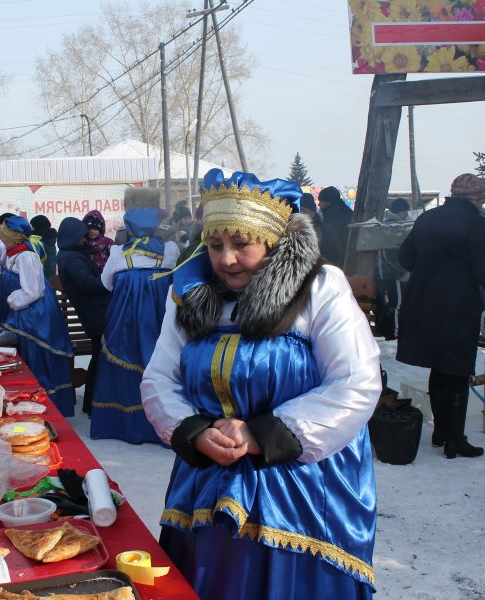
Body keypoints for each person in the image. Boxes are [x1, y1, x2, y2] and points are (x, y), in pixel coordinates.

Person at [140, 168, 380, 599]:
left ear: (271, 241)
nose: (226, 259)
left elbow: (355, 382)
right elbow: (160, 377)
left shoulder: (319, 288)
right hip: (208, 477)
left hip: (301, 482)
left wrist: (260, 433)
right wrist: (194, 431)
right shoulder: (190, 294)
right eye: (215, 246)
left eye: (240, 245)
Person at [396, 173, 485, 458]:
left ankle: (441, 431)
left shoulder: (428, 218)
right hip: (458, 308)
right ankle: (455, 439)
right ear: (477, 197)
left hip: (424, 304)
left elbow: (405, 257)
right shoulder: (476, 224)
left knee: (438, 366)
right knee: (457, 371)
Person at [0, 216, 75, 416]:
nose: (0, 237)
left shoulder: (26, 257)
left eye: (4, 234)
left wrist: (12, 300)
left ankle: (44, 403)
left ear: (14, 238)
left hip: (35, 315)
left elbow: (33, 291)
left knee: (37, 355)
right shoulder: (13, 251)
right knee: (26, 354)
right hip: (25, 312)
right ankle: (27, 401)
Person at [90, 207, 179, 443]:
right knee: (159, 362)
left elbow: (106, 282)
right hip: (159, 317)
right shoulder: (170, 250)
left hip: (124, 317)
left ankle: (124, 426)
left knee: (122, 364)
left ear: (129, 227)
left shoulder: (118, 252)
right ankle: (162, 426)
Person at [56, 217, 111, 414]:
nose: (84, 237)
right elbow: (89, 284)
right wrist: (110, 281)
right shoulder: (72, 258)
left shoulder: (71, 255)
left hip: (93, 313)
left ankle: (92, 404)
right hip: (95, 313)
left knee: (98, 356)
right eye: (81, 234)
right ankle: (93, 404)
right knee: (99, 358)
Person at [374, 197, 410, 340]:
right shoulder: (393, 226)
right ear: (399, 211)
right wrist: (403, 270)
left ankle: (387, 329)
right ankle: (393, 333)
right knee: (396, 303)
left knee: (393, 302)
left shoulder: (389, 224)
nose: (406, 215)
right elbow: (390, 253)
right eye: (404, 212)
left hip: (388, 271)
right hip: (393, 272)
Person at [300, 192, 342, 266]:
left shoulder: (325, 230)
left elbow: (333, 255)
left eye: (305, 211)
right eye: (300, 211)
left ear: (312, 212)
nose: (301, 214)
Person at [317, 185, 353, 265]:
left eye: (321, 201)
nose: (319, 204)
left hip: (337, 260)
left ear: (328, 201)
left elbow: (330, 240)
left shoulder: (331, 216)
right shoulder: (347, 211)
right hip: (350, 257)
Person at [82, 209, 114, 273]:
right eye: (89, 229)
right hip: (91, 274)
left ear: (101, 229)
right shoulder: (83, 243)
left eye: (95, 229)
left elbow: (115, 255)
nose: (92, 231)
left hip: (107, 273)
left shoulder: (107, 242)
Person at [30, 214, 58, 279]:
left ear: (39, 227)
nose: (31, 229)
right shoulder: (50, 240)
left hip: (43, 277)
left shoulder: (41, 244)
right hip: (50, 276)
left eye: (33, 226)